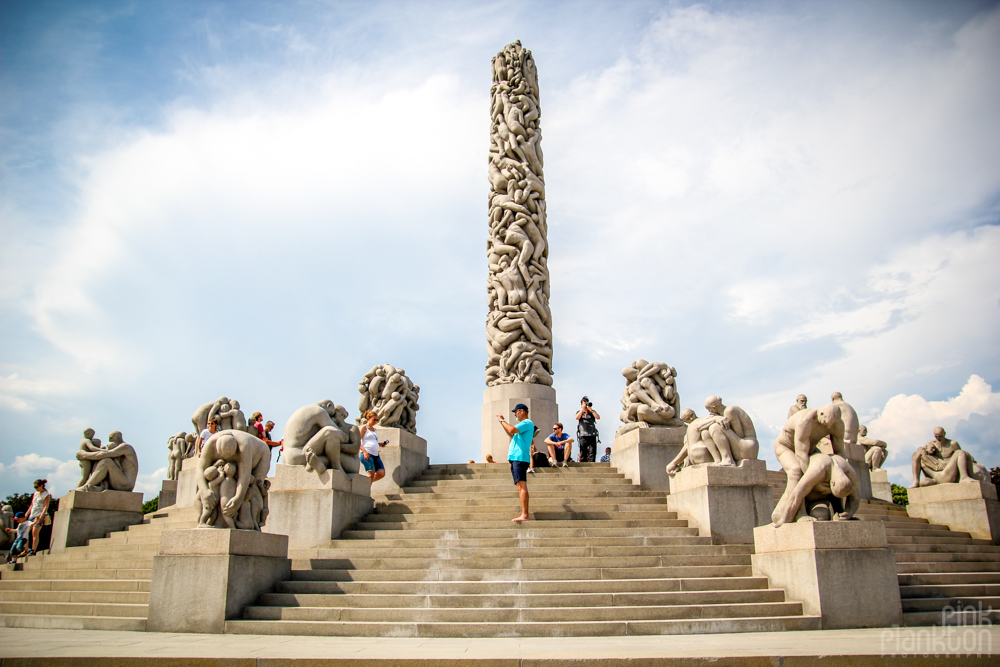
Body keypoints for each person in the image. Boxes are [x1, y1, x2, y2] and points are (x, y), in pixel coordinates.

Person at [498, 403, 533, 522]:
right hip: (516, 457)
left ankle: (525, 514)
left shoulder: (527, 423)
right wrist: (502, 423)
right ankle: (524, 513)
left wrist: (503, 420)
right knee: (519, 485)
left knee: (521, 484)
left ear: (522, 411)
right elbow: (511, 433)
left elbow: (512, 429)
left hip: (520, 457)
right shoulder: (522, 425)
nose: (515, 414)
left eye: (516, 412)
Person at [358, 410, 386, 483]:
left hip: (376, 454)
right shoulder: (364, 428)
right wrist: (364, 451)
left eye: (377, 420)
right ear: (368, 418)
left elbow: (372, 441)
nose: (375, 421)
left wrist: (380, 444)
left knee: (381, 473)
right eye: (374, 419)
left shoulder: (374, 429)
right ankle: (366, 490)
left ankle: (364, 484)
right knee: (371, 473)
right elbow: (357, 441)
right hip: (367, 453)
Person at [27, 479, 51, 556]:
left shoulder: (46, 494)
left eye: (36, 487)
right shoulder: (36, 493)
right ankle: (26, 549)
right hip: (32, 514)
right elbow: (32, 504)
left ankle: (33, 550)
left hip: (38, 515)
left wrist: (41, 516)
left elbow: (46, 506)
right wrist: (27, 513)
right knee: (25, 531)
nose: (36, 488)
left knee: (35, 533)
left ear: (41, 486)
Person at [575, 397, 601, 462]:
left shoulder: (591, 412)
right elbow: (577, 417)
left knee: (592, 452)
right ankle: (583, 464)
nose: (586, 404)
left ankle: (592, 464)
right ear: (581, 404)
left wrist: (591, 410)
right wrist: (582, 409)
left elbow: (598, 417)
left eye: (586, 403)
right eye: (584, 403)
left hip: (592, 434)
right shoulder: (579, 412)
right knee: (583, 451)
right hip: (583, 434)